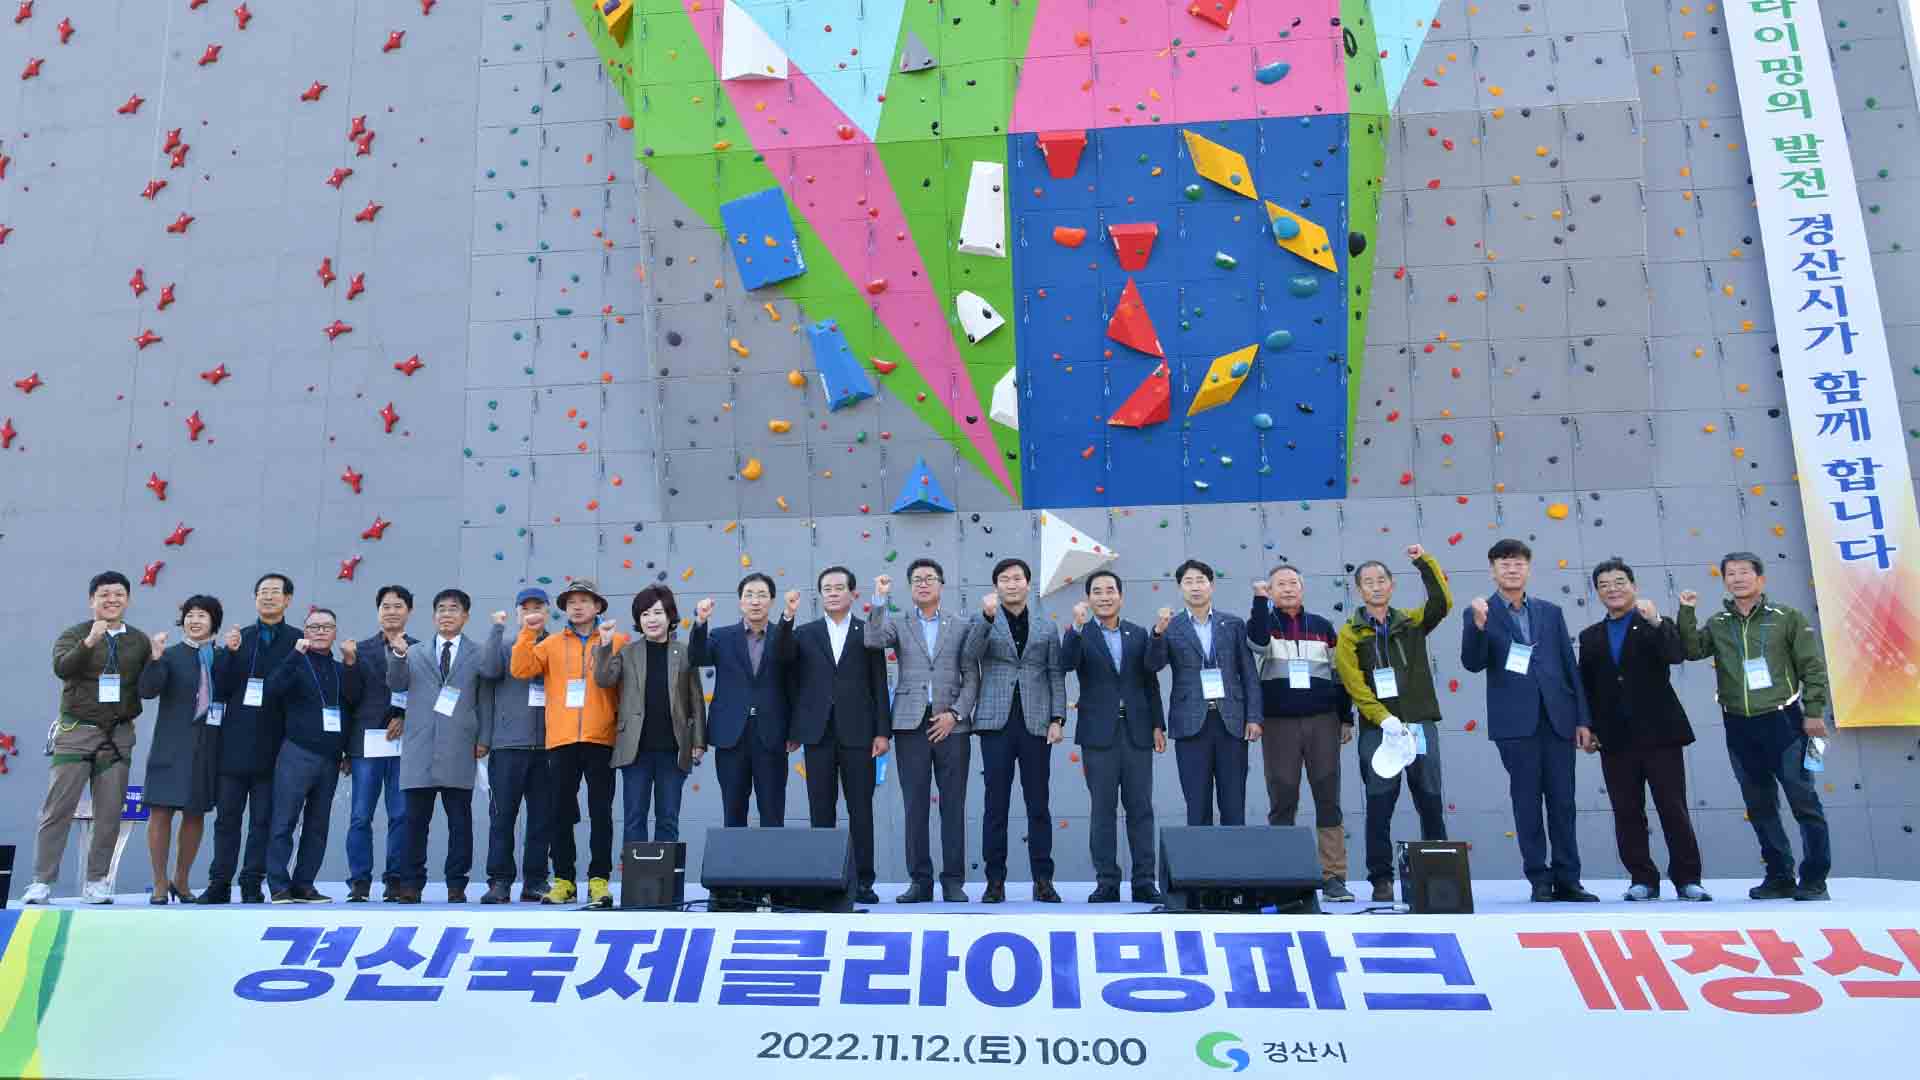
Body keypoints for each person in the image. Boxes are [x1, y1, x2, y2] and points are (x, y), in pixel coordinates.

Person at [1678, 552, 1832, 901]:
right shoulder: (1719, 622)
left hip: (1784, 722)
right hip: (1738, 726)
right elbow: (1692, 650)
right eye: (1731, 574)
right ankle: (1779, 876)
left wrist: (1814, 712)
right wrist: (1686, 611)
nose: (1738, 578)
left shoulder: (1786, 617)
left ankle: (1814, 879)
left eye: (1745, 572)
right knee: (1760, 807)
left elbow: (1811, 666)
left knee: (1803, 802)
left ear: (1760, 579)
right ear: (1724, 582)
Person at [1461, 539, 1598, 903]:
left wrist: (1583, 719)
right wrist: (1477, 626)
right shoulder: (1480, 612)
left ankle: (1569, 879)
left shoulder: (1550, 612)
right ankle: (1539, 878)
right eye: (1504, 563)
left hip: (1558, 719)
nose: (1512, 569)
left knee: (1563, 802)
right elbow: (1472, 663)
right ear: (1492, 570)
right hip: (1515, 724)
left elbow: (1569, 665)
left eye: (1518, 563)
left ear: (1528, 569)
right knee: (1527, 803)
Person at [1579, 559, 1709, 902]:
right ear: (1597, 593)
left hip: (1660, 734)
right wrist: (1587, 726)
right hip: (1614, 738)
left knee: (1673, 808)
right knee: (1626, 811)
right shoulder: (1590, 636)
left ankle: (1687, 879)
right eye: (1604, 585)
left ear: (1633, 586)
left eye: (1619, 582)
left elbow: (1676, 654)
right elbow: (1586, 686)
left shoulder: (1654, 623)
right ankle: (1642, 879)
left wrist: (1656, 621)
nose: (1612, 589)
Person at [24, 571, 156, 905]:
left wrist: (156, 660)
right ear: (92, 600)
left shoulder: (138, 640)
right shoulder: (75, 634)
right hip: (76, 731)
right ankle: (42, 881)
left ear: (128, 599)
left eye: (118, 594)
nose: (112, 600)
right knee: (58, 809)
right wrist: (89, 642)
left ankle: (97, 881)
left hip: (118, 735)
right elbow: (62, 668)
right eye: (104, 594)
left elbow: (149, 688)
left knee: (109, 812)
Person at [1332, 545, 1451, 903]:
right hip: (1378, 730)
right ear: (1359, 590)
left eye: (1381, 580)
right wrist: (1382, 718)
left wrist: (1424, 562)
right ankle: (1381, 879)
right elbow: (1353, 683)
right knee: (1379, 804)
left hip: (1420, 726)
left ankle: (1439, 876)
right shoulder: (1350, 633)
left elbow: (1442, 602)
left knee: (1430, 800)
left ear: (1392, 585)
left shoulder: (1411, 621)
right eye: (1368, 582)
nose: (1376, 586)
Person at [512, 578, 626, 909]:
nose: (577, 607)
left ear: (598, 606)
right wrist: (529, 631)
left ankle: (599, 880)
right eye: (571, 602)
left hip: (601, 738)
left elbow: (624, 687)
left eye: (584, 601)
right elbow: (520, 669)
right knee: (559, 812)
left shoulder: (616, 640)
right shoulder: (550, 644)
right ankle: (564, 880)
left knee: (601, 812)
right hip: (561, 740)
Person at [866, 558, 975, 903]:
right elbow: (873, 639)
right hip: (910, 723)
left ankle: (953, 881)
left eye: (929, 578)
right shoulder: (899, 623)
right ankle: (920, 881)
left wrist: (955, 714)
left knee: (953, 804)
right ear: (910, 587)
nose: (923, 584)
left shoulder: (961, 625)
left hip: (952, 725)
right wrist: (879, 599)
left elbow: (972, 676)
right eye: (916, 580)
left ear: (941, 585)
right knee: (915, 805)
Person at [1247, 565, 1355, 902]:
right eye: (1280, 584)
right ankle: (1283, 875)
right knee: (1282, 795)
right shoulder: (1264, 623)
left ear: (1303, 588)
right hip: (1278, 723)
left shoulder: (1322, 626)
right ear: (1271, 591)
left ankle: (1333, 876)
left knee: (1328, 794)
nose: (1288, 588)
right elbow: (1257, 642)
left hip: (1323, 720)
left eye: (1293, 582)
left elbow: (1340, 675)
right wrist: (1259, 601)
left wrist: (1345, 718)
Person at [963, 557, 1067, 904]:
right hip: (996, 723)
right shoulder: (983, 619)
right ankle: (995, 881)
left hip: (1036, 723)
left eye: (1017, 578)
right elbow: (970, 655)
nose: (1011, 584)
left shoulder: (1046, 626)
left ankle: (1043, 880)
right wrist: (987, 617)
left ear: (1028, 583)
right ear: (996, 586)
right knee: (996, 804)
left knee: (1038, 804)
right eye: (1004, 579)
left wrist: (1057, 718)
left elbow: (1055, 673)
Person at [1058, 571, 1166, 904]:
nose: (1104, 597)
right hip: (1098, 734)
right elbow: (1065, 663)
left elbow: (1150, 680)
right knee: (1102, 809)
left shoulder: (1138, 633)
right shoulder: (1081, 632)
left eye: (1110, 591)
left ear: (1121, 595)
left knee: (1141, 808)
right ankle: (1107, 881)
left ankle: (1144, 881)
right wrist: (1075, 629)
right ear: (1088, 598)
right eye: (1097, 591)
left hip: (1137, 732)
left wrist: (1157, 725)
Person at [786, 567, 888, 904]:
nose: (832, 592)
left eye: (838, 587)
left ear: (852, 594)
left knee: (861, 810)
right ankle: (823, 882)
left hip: (860, 733)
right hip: (817, 734)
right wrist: (794, 730)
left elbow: (879, 682)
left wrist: (882, 732)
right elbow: (788, 675)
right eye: (826, 588)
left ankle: (864, 883)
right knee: (821, 810)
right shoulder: (805, 632)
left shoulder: (867, 631)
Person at [199, 572, 302, 904]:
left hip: (276, 747)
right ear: (255, 598)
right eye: (262, 592)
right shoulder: (239, 638)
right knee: (226, 820)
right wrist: (228, 654)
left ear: (288, 599)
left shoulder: (299, 641)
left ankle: (251, 882)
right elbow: (220, 688)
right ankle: (219, 883)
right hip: (235, 744)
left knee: (263, 822)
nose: (268, 597)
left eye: (275, 592)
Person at [387, 589, 492, 904]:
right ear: (433, 616)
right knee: (414, 822)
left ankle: (456, 884)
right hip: (419, 746)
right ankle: (410, 884)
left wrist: (484, 738)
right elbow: (396, 684)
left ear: (466, 616)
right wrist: (398, 656)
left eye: (454, 609)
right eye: (441, 609)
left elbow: (485, 700)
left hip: (460, 745)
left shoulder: (478, 653)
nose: (447, 614)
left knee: (460, 822)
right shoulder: (413, 652)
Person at [1147, 559, 1262, 827]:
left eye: (1200, 581)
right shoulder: (1171, 626)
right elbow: (1153, 665)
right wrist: (1157, 634)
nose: (1195, 587)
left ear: (1212, 585)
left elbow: (1249, 674)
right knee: (1197, 807)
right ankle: (1200, 856)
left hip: (1231, 722)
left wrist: (1254, 717)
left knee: (1234, 804)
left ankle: (1233, 854)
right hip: (1190, 724)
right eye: (1188, 582)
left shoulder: (1232, 624)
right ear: (1180, 588)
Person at [593, 585, 706, 849]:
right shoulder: (627, 651)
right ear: (638, 620)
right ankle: (635, 875)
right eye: (645, 614)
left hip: (674, 750)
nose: (651, 619)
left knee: (668, 818)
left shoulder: (684, 652)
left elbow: (696, 700)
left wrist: (699, 742)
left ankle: (665, 875)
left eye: (657, 613)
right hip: (635, 751)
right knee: (634, 818)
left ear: (669, 616)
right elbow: (604, 679)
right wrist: (605, 644)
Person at [263, 608, 362, 903]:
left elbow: (353, 706)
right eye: (314, 627)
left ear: (335, 632)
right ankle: (279, 885)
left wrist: (351, 663)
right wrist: (296, 654)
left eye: (326, 627)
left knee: (317, 826)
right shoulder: (295, 662)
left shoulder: (340, 668)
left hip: (331, 758)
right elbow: (273, 689)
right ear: (305, 632)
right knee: (284, 821)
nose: (320, 632)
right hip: (297, 752)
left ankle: (304, 885)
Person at [689, 573, 800, 831]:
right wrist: (700, 622)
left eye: (762, 595)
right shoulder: (721, 636)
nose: (755, 601)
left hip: (772, 735)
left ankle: (771, 860)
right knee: (733, 813)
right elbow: (697, 657)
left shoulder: (785, 637)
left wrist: (794, 731)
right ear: (740, 602)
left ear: (772, 600)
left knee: (773, 813)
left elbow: (793, 684)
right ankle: (733, 860)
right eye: (749, 595)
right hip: (731, 736)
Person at [135, 594, 225, 904]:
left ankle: (182, 880)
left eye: (202, 615)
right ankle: (159, 882)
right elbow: (147, 690)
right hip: (170, 745)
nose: (195, 620)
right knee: (160, 812)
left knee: (195, 813)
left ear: (213, 621)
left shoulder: (222, 658)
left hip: (207, 746)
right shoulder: (169, 655)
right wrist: (154, 659)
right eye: (190, 615)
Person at [481, 588, 553, 903]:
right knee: (502, 818)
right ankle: (499, 881)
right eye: (526, 608)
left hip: (549, 746)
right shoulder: (504, 644)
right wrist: (496, 629)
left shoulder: (557, 645)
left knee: (542, 819)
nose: (532, 612)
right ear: (517, 613)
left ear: (547, 612)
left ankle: (535, 881)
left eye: (538, 607)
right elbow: (487, 671)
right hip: (507, 746)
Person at [344, 585, 415, 902]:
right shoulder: (359, 650)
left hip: (404, 745)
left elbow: (425, 696)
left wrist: (405, 716)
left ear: (409, 611)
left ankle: (395, 880)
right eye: (386, 606)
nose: (391, 612)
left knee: (400, 815)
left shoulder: (421, 649)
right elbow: (348, 699)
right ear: (378, 612)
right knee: (361, 815)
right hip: (366, 744)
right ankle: (359, 882)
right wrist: (345, 749)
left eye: (398, 606)